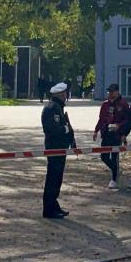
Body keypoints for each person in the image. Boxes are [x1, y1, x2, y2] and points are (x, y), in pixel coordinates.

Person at [41, 82, 76, 219]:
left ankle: (53, 205)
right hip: (54, 147)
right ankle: (49, 208)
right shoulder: (52, 108)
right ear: (60, 95)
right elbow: (51, 129)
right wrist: (65, 129)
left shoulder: (58, 107)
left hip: (60, 148)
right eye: (64, 94)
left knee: (57, 178)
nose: (66, 96)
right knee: (53, 178)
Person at [94, 83, 131, 190]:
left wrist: (122, 130)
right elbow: (101, 119)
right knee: (104, 156)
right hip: (106, 133)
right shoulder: (105, 105)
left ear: (117, 91)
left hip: (116, 134)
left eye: (112, 91)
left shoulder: (123, 104)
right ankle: (115, 170)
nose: (110, 93)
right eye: (109, 91)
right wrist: (96, 130)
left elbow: (128, 120)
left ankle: (114, 179)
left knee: (114, 157)